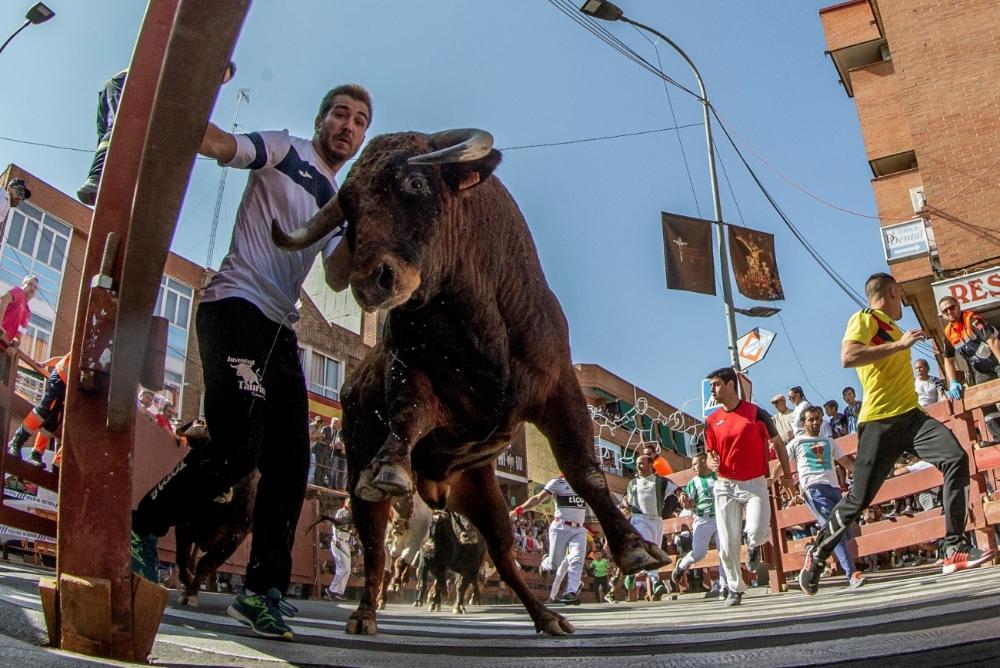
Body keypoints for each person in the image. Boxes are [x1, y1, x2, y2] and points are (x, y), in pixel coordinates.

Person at [129, 83, 372, 641]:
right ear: (320, 119)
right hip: (235, 304)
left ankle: (262, 592)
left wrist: (371, 229)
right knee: (241, 445)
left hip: (279, 331)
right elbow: (219, 145)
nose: (348, 127)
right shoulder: (284, 149)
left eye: (360, 121)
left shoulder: (338, 203)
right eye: (340, 114)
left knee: (291, 463)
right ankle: (144, 524)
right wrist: (195, 84)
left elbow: (338, 277)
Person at [798, 273, 994, 596]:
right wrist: (899, 345)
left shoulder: (894, 327)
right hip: (879, 424)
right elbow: (848, 357)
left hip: (911, 418)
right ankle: (817, 554)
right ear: (890, 291)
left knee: (955, 457)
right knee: (858, 501)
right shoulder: (866, 318)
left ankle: (953, 547)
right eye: (899, 295)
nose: (902, 301)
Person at [77, 65, 235, 205]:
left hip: (125, 88)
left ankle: (109, 186)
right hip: (127, 83)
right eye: (220, 77)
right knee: (120, 130)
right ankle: (97, 178)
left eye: (222, 82)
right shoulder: (191, 71)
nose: (216, 84)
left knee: (120, 137)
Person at [704, 367, 794, 608]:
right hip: (725, 485)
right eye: (711, 385)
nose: (712, 389)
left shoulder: (756, 413)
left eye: (715, 384)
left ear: (731, 384)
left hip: (755, 483)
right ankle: (735, 588)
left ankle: (754, 545)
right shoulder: (711, 421)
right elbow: (709, 453)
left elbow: (779, 444)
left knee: (756, 531)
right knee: (727, 543)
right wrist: (710, 460)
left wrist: (787, 475)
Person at [786, 405, 864, 590]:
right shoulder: (797, 442)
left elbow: (844, 462)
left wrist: (864, 474)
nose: (815, 423)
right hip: (813, 489)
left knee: (845, 530)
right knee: (834, 528)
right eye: (811, 420)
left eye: (818, 419)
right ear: (803, 423)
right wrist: (777, 476)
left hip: (834, 489)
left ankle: (813, 553)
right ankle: (851, 573)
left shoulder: (829, 441)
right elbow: (782, 460)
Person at [512, 475, 588, 606]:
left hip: (579, 529)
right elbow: (537, 499)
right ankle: (545, 563)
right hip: (560, 527)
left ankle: (571, 593)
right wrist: (518, 511)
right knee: (555, 564)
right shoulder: (557, 483)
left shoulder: (585, 483)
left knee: (577, 558)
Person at [938, 295, 1000, 439]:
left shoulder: (972, 320)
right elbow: (948, 360)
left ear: (958, 306)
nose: (949, 312)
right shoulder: (948, 332)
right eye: (945, 311)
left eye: (951, 307)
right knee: (985, 401)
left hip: (996, 362)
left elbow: (993, 342)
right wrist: (952, 382)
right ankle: (998, 438)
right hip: (980, 370)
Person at [671, 452, 729, 598]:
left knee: (724, 551)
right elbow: (688, 503)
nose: (693, 468)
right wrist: (686, 501)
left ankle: (725, 586)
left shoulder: (718, 475)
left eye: (695, 464)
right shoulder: (694, 482)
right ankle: (681, 565)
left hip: (721, 518)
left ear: (704, 461)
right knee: (699, 553)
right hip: (703, 520)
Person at [621, 454, 677, 599]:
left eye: (641, 463)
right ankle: (655, 581)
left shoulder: (661, 482)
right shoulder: (633, 483)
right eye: (637, 464)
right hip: (639, 519)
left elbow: (676, 490)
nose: (638, 466)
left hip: (657, 521)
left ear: (650, 465)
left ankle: (632, 572)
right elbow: (626, 501)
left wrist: (682, 495)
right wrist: (625, 504)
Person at [7, 352, 69, 471]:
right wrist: (45, 364)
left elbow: (61, 358)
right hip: (60, 377)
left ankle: (36, 453)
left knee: (54, 420)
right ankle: (17, 441)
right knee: (45, 410)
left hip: (68, 386)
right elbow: (64, 359)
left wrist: (45, 363)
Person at [326, 499, 354, 602]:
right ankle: (331, 590)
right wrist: (336, 538)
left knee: (347, 569)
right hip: (339, 541)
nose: (350, 504)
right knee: (343, 568)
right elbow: (335, 525)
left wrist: (351, 542)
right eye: (349, 502)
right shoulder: (341, 512)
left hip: (346, 542)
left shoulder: (352, 515)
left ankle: (339, 592)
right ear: (346, 503)